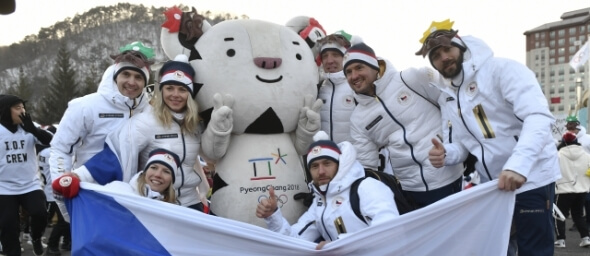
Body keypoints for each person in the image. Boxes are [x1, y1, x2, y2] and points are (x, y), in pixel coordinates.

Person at [418, 19, 561, 256]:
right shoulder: (447, 95)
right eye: (435, 55)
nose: (443, 58)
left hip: (531, 177)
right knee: (497, 249)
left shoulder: (502, 69)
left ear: (461, 47)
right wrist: (447, 153)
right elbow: (463, 144)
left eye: (447, 49)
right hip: (494, 187)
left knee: (533, 251)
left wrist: (518, 166)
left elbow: (537, 117)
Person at [61, 54, 231, 211]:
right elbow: (116, 155)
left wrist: (219, 127)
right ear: (161, 90)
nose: (175, 95)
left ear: (190, 93)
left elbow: (211, 155)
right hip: (157, 206)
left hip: (191, 204)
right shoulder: (146, 121)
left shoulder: (194, 124)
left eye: (182, 90)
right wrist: (78, 176)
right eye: (169, 88)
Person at [343, 40, 466, 208]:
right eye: (348, 72)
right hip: (410, 190)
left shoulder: (410, 79)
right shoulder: (358, 118)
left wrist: (451, 146)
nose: (354, 76)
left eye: (359, 67)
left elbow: (451, 101)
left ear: (375, 66)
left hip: (448, 175)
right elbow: (367, 165)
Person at [49, 41, 154, 211]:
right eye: (125, 74)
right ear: (115, 76)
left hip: (134, 200)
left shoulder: (149, 111)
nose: (131, 82)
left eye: (138, 77)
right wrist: (63, 191)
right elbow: (61, 149)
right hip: (92, 194)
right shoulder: (86, 106)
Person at [255, 131, 399, 249]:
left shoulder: (367, 187)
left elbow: (390, 233)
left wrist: (340, 245)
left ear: (339, 164)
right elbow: (293, 240)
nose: (321, 171)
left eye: (327, 163)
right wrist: (273, 215)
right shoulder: (320, 201)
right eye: (315, 166)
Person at [0, 95, 53, 256]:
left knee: (40, 214)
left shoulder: (30, 126)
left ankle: (36, 238)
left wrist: (34, 130)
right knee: (8, 226)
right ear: (5, 110)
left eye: (23, 107)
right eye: (17, 108)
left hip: (30, 184)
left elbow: (52, 141)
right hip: (4, 187)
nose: (22, 111)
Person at [53, 148, 181, 205]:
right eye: (153, 168)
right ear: (144, 172)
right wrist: (69, 182)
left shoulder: (175, 209)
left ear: (172, 180)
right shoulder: (119, 190)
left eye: (166, 171)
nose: (158, 175)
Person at [315, 30, 355, 144]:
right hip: (326, 158)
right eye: (325, 56)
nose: (329, 61)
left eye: (335, 55)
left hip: (354, 158)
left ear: (345, 57)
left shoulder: (357, 86)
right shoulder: (318, 88)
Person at [553, 132, 590, 248]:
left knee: (559, 215)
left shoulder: (558, 155)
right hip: (581, 190)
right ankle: (585, 238)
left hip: (563, 189)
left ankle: (561, 240)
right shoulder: (586, 155)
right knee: (578, 215)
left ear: (563, 142)